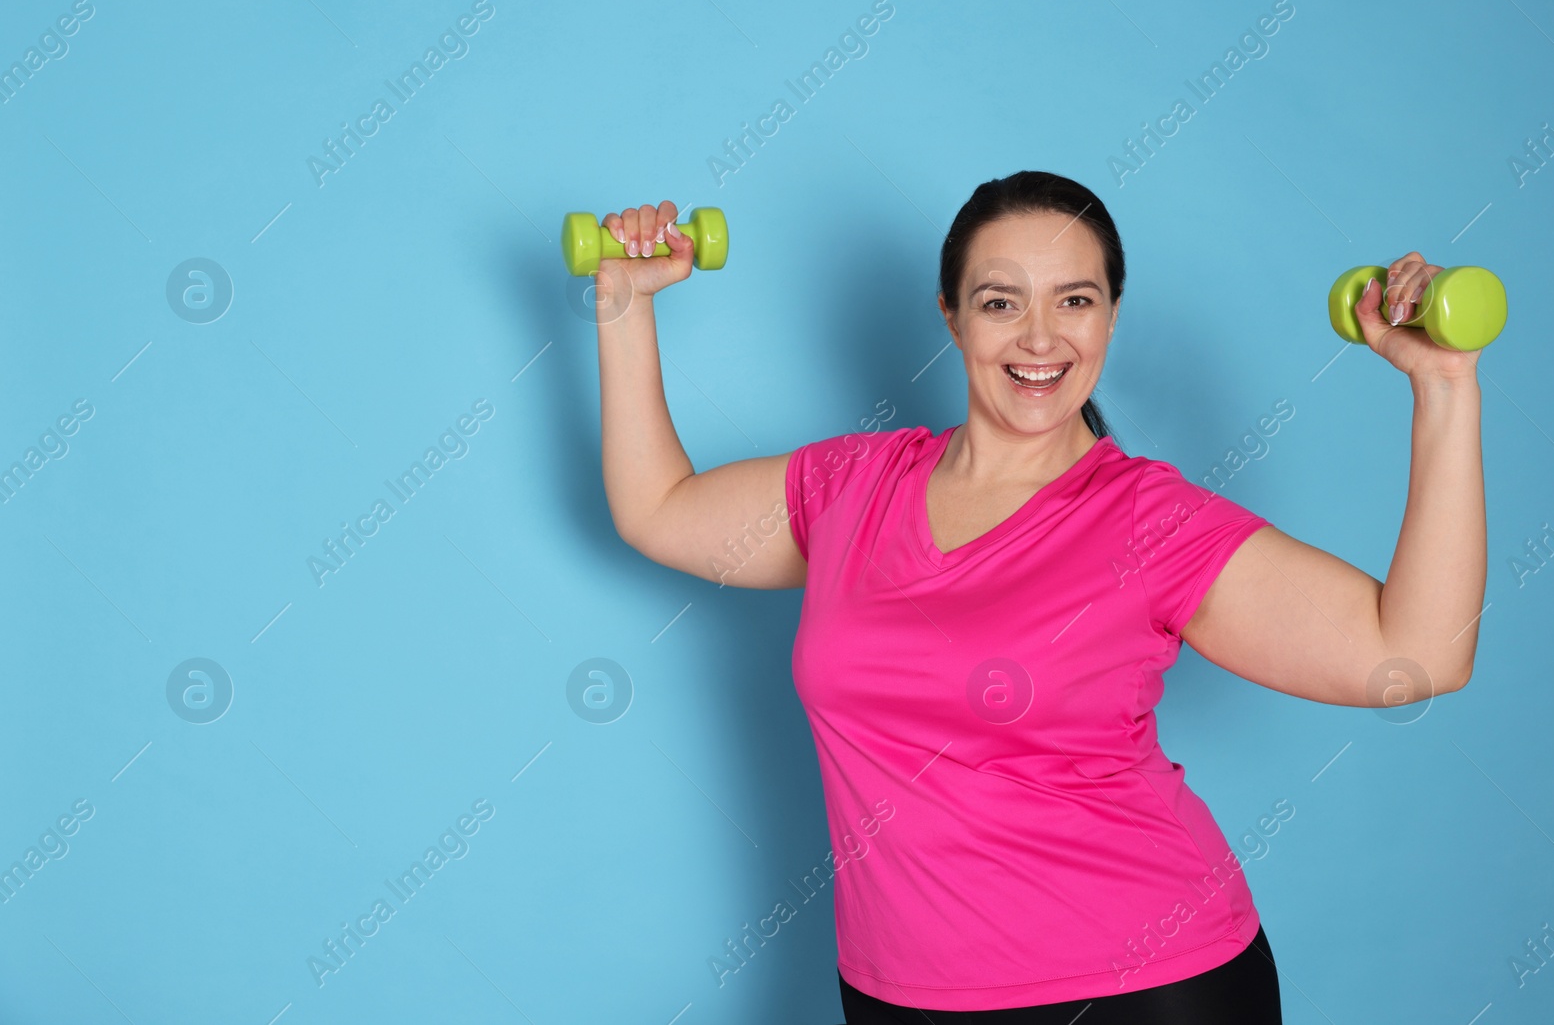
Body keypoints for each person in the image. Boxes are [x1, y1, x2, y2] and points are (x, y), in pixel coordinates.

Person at [591, 171, 1486, 1023]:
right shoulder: (850, 487)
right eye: (999, 300)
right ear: (951, 317)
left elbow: (1413, 655)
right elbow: (659, 510)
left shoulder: (1151, 522)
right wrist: (625, 306)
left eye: (1075, 299)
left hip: (1143, 987)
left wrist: (1444, 387)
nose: (1039, 336)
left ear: (1111, 317)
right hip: (898, 996)